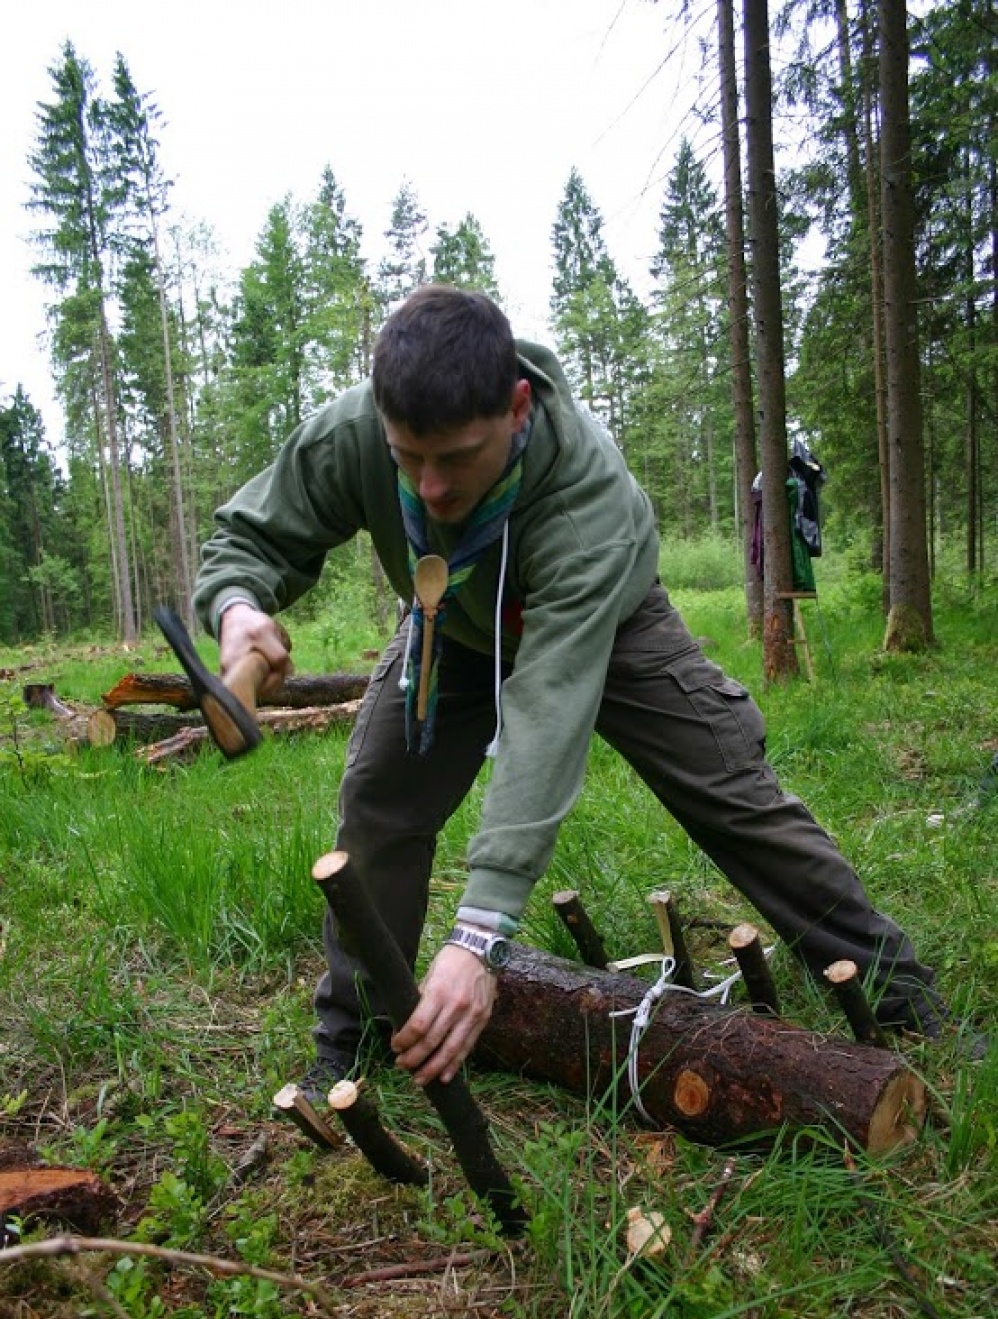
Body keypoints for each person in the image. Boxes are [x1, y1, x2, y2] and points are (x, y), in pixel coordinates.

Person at [194, 284, 957, 1098]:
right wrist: (236, 609)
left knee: (732, 794)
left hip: (609, 621)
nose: (430, 487)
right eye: (406, 456)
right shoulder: (357, 433)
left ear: (518, 407)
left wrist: (481, 932)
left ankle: (903, 1002)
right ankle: (351, 1039)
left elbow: (547, 710)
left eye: (456, 458)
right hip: (452, 626)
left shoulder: (582, 500)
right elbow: (251, 533)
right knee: (379, 801)